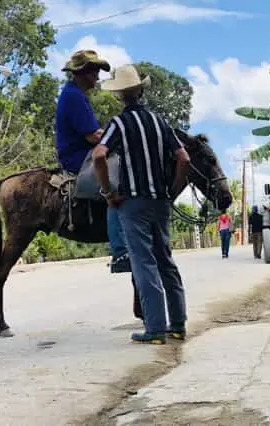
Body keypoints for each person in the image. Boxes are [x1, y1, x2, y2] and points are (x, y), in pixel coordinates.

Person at [93, 64, 191, 345]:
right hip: (160, 202)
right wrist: (172, 190)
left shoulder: (119, 124)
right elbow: (183, 159)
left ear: (119, 96)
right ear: (141, 89)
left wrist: (108, 192)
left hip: (133, 203)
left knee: (144, 263)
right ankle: (178, 325)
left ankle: (156, 329)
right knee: (165, 261)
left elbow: (99, 155)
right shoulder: (160, 122)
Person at [55, 49, 130, 273]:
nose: (97, 76)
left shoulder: (75, 94)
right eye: (94, 71)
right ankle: (120, 250)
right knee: (117, 185)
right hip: (78, 156)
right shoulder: (74, 96)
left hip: (84, 151)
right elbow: (93, 136)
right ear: (83, 72)